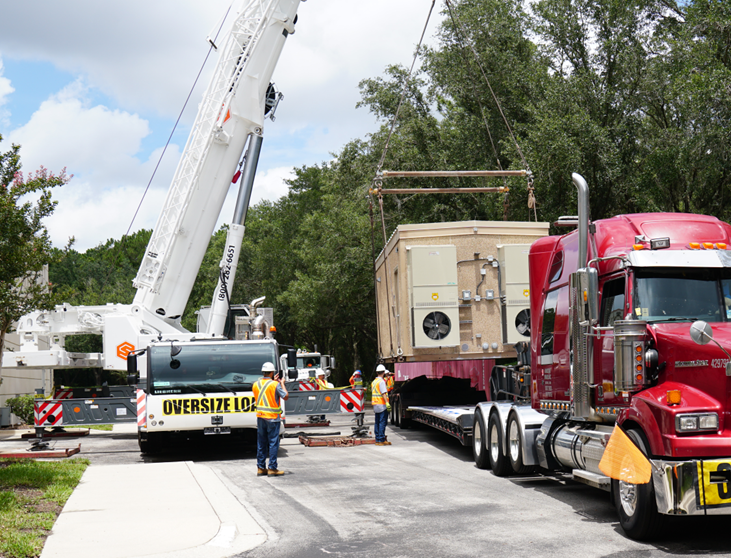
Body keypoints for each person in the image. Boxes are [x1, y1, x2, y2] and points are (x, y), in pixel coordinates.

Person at [252, 361, 289, 476]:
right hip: (272, 418)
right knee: (273, 443)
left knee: (261, 443)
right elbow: (286, 396)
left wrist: (274, 381)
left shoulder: (255, 384)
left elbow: (265, 392)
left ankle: (261, 467)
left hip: (261, 417)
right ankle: (272, 468)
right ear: (272, 372)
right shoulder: (275, 385)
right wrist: (282, 383)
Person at [371, 364, 391, 445]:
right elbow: (383, 393)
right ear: (383, 373)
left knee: (377, 422)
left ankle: (377, 438)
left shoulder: (374, 382)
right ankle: (381, 439)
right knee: (382, 422)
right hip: (382, 404)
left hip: (375, 404)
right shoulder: (382, 382)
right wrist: (387, 403)